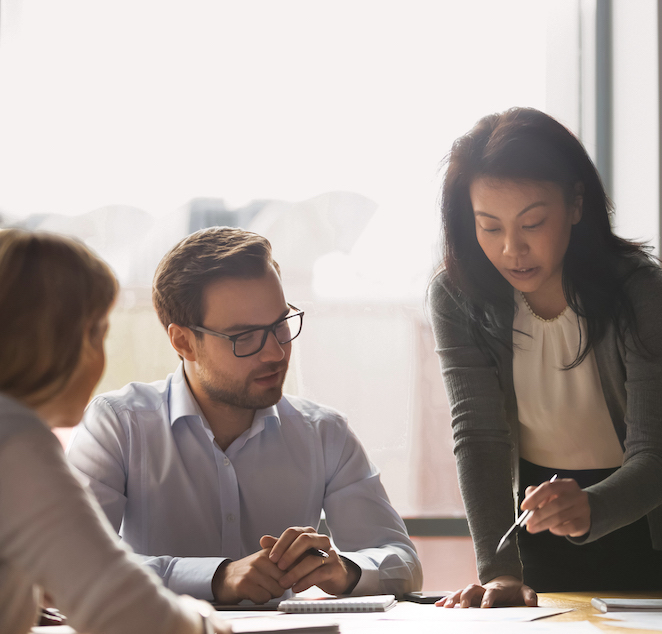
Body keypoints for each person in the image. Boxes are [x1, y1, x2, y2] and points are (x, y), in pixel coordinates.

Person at [68, 226, 422, 604]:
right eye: (245, 337)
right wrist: (216, 577)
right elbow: (72, 565)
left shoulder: (324, 434)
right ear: (183, 341)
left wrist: (345, 569)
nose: (275, 352)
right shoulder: (120, 425)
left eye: (279, 324)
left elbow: (402, 562)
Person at [429, 107, 662, 608]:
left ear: (575, 203)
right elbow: (478, 436)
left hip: (655, 531)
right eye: (489, 227)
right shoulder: (458, 297)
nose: (512, 249)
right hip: (540, 526)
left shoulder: (642, 292)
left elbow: (657, 457)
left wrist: (591, 506)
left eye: (532, 222)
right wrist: (499, 571)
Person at [0, 229, 232, 634]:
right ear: (72, 339)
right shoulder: (14, 444)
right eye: (100, 332)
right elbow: (146, 627)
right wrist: (204, 621)